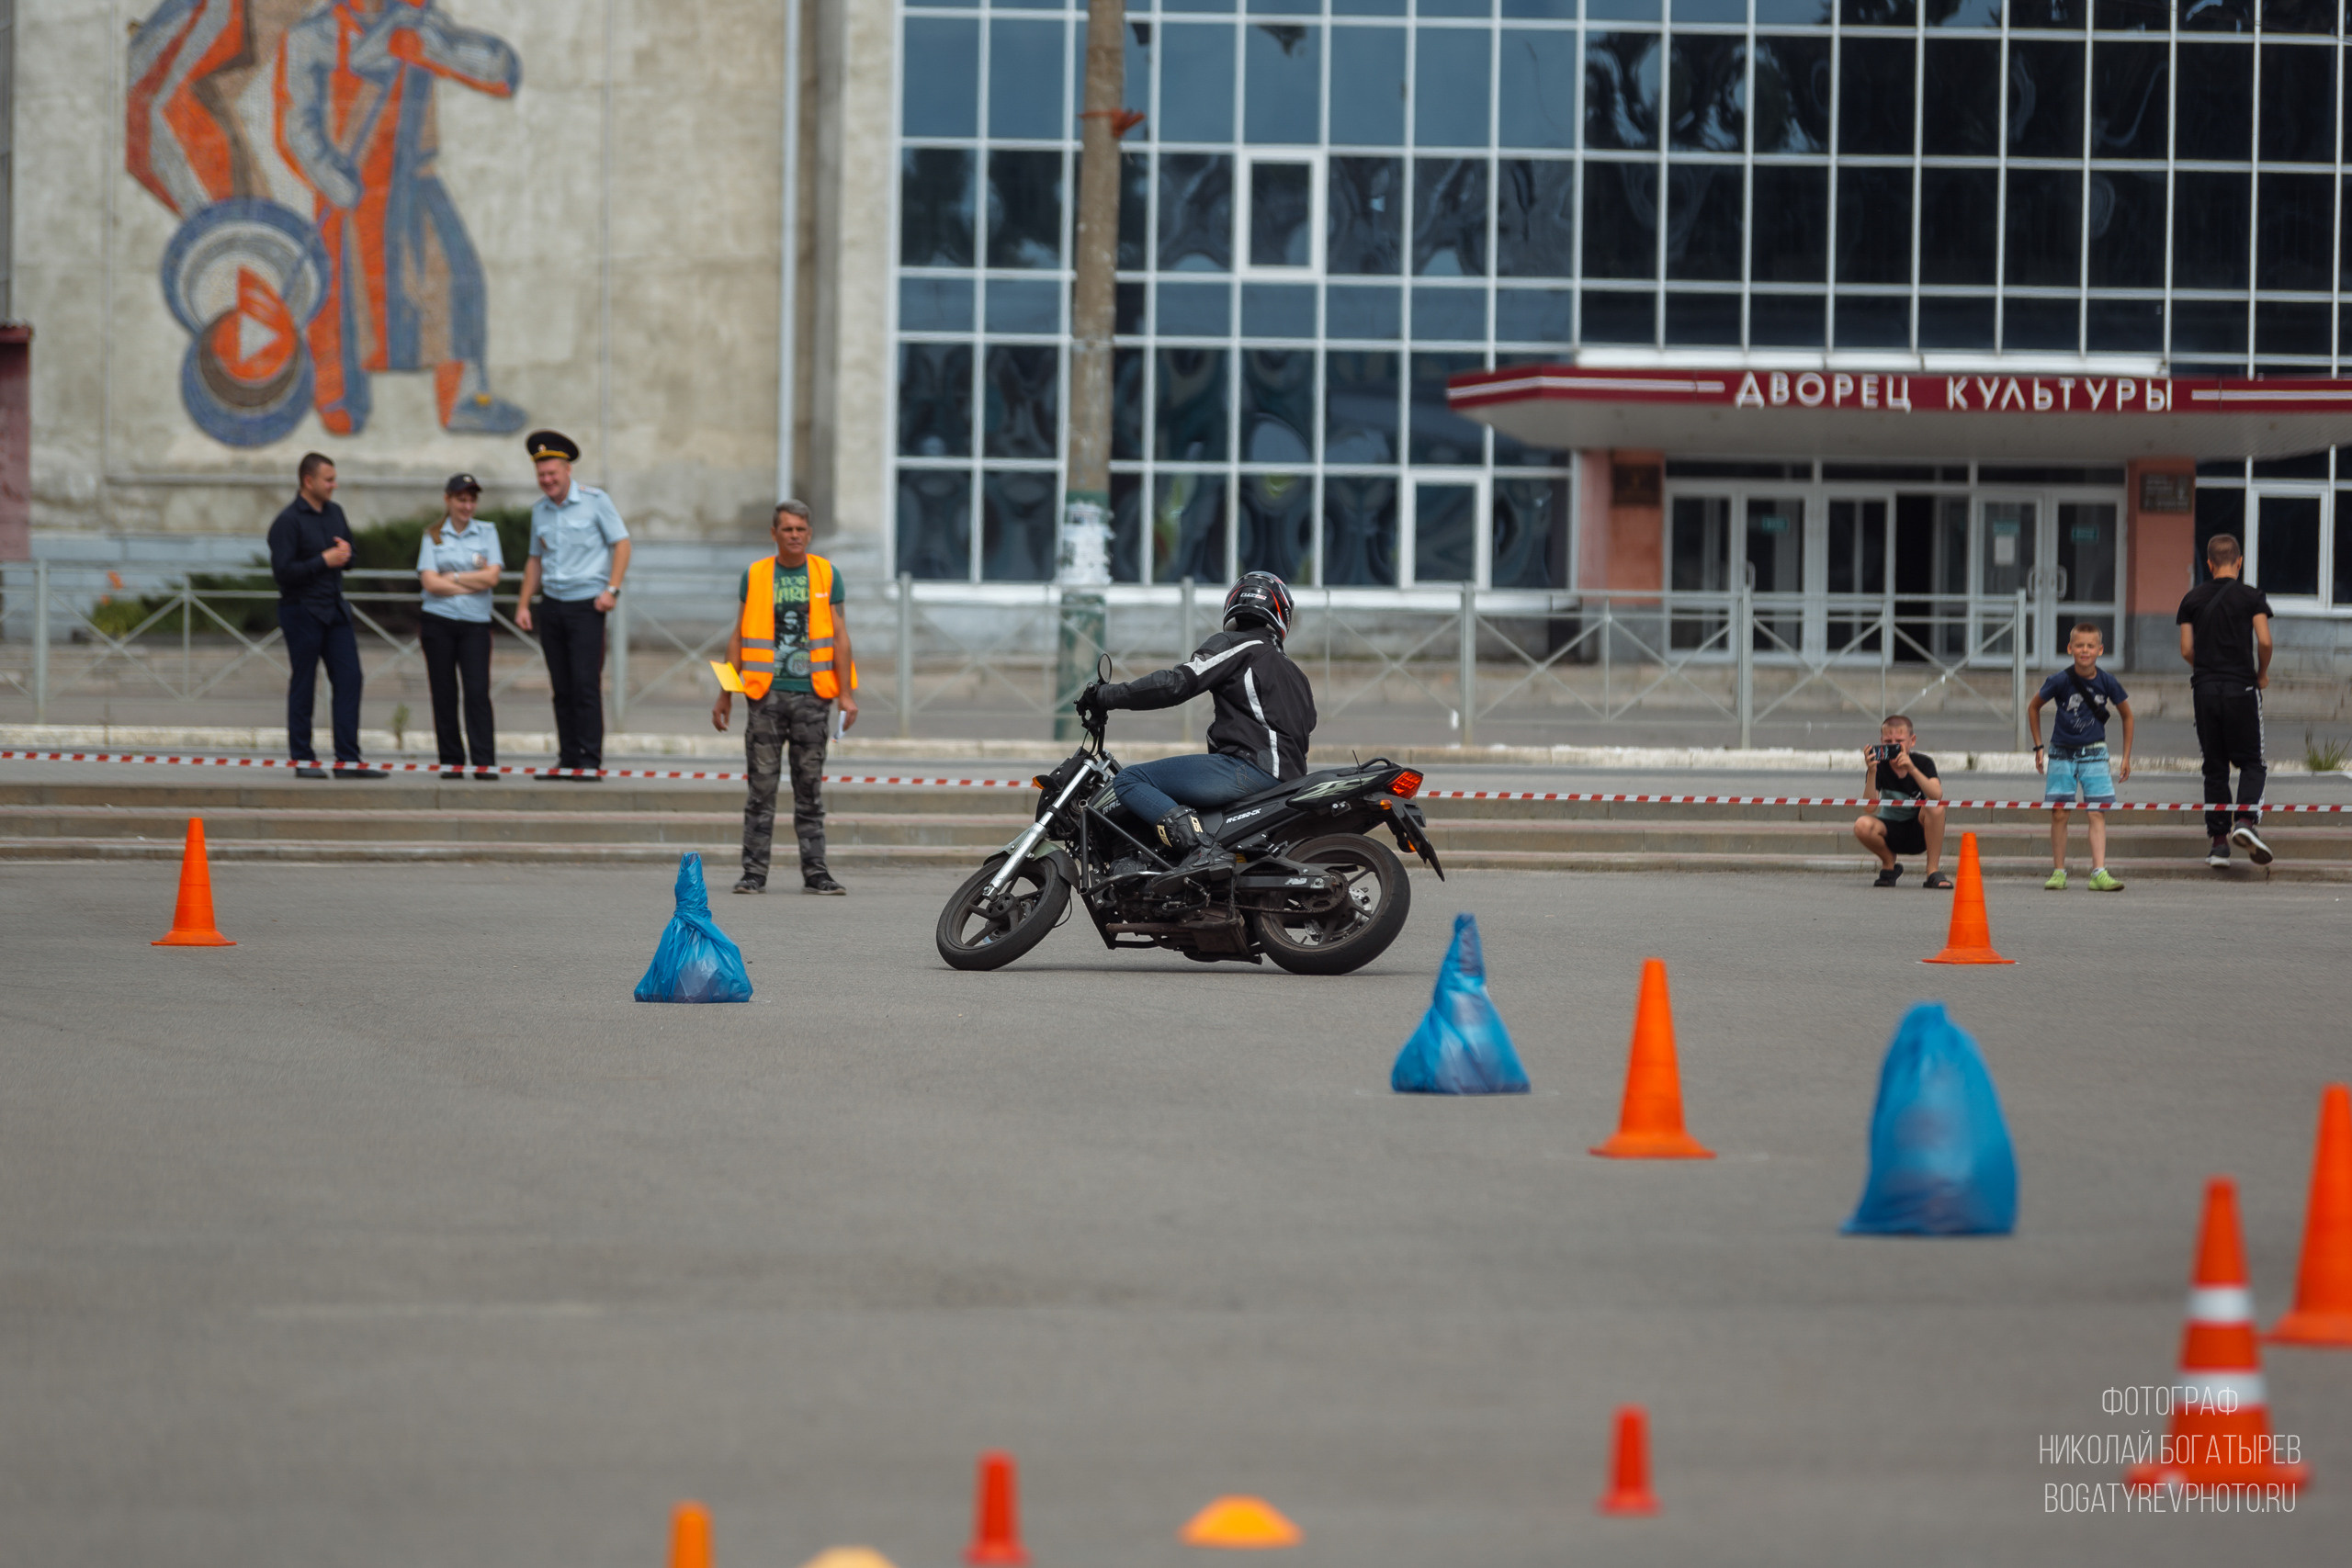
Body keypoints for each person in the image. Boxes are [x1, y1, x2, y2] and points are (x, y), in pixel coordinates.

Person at [1077, 572, 1315, 893]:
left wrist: (1106, 696)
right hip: (1287, 783)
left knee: (1130, 780)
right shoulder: (1297, 675)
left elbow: (1175, 684)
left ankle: (1201, 849)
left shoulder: (1237, 645)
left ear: (1234, 603)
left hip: (1247, 769)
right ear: (1282, 614)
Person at [711, 501, 857, 895]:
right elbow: (738, 637)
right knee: (761, 791)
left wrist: (846, 695)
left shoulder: (827, 573)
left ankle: (817, 873)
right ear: (774, 533)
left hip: (813, 697)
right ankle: (753, 873)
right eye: (787, 529)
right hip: (765, 697)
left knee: (809, 791)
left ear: (810, 534)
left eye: (801, 529)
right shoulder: (756, 574)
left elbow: (840, 638)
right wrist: (725, 694)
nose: (794, 535)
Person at [514, 431, 630, 780]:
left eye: (552, 473)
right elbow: (535, 559)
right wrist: (523, 604)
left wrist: (612, 590)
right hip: (552, 605)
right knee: (561, 687)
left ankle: (590, 761)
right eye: (541, 475)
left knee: (585, 685)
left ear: (568, 470)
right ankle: (567, 759)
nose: (547, 480)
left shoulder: (596, 501)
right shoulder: (540, 510)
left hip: (586, 606)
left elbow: (622, 544)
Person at [266, 452, 384, 780]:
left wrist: (345, 555)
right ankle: (303, 759)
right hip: (301, 611)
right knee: (304, 683)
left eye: (334, 479)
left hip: (335, 610)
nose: (334, 485)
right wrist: (324, 560)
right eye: (328, 480)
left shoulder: (335, 512)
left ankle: (348, 760)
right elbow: (283, 572)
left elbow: (351, 555)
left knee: (350, 678)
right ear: (308, 481)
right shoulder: (287, 521)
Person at [2177, 533, 2275, 868]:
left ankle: (2219, 844)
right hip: (2241, 689)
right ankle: (2245, 821)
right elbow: (2264, 640)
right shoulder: (2251, 597)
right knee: (2253, 761)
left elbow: (2186, 649)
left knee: (2214, 765)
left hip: (2205, 690)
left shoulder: (2191, 598)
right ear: (2239, 562)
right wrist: (2261, 673)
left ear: (2209, 563)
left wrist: (2207, 668)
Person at [2027, 622, 2133, 892]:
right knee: (2059, 812)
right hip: (2061, 753)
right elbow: (2033, 707)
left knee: (2097, 812)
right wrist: (2039, 747)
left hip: (2095, 753)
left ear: (2100, 650)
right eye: (2079, 646)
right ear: (2069, 648)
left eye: (2090, 646)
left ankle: (2099, 872)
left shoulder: (2107, 681)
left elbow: (2127, 715)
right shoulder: (2059, 680)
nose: (2085, 650)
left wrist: (2126, 757)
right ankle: (2058, 871)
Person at [415, 472, 503, 781]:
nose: (467, 506)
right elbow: (429, 582)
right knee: (444, 693)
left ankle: (484, 762)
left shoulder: (487, 532)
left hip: (475, 624)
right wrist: (470, 583)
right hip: (438, 622)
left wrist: (451, 577)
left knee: (477, 692)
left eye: (471, 500)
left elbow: (492, 578)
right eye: (461, 499)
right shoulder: (433, 535)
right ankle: (451, 762)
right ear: (448, 500)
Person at [1850, 715, 1948, 889]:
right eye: (1888, 741)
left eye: (1899, 741)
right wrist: (1871, 772)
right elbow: (1869, 807)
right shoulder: (1879, 767)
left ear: (1912, 741)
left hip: (1919, 830)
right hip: (1890, 829)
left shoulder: (1923, 763)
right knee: (1861, 824)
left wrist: (1911, 769)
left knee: (1935, 808)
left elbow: (1937, 795)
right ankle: (1889, 864)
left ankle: (1932, 871)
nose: (1894, 745)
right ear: (1881, 742)